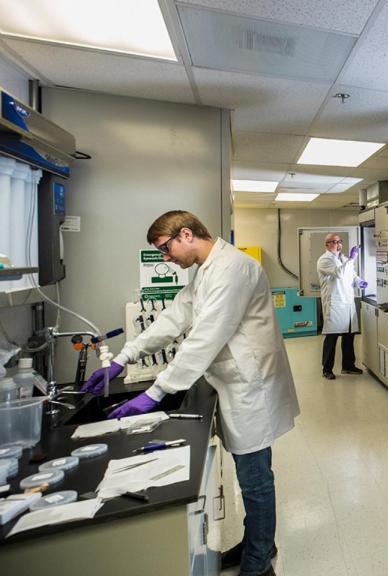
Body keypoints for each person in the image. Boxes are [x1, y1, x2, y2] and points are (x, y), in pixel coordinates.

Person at [82, 210, 299, 576]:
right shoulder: (206, 271)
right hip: (234, 383)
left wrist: (156, 392)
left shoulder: (234, 269)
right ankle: (258, 544)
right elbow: (174, 319)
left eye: (166, 250)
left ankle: (259, 564)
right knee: (252, 475)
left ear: (186, 234)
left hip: (251, 387)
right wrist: (123, 357)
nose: (166, 259)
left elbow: (204, 339)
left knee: (256, 478)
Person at [317, 233, 368, 379]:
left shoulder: (343, 258)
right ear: (327, 244)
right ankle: (327, 369)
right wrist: (352, 259)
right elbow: (340, 273)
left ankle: (348, 366)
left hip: (347, 303)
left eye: (340, 241)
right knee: (331, 338)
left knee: (349, 336)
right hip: (335, 304)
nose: (338, 244)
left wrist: (359, 282)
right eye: (334, 242)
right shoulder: (324, 260)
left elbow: (351, 274)